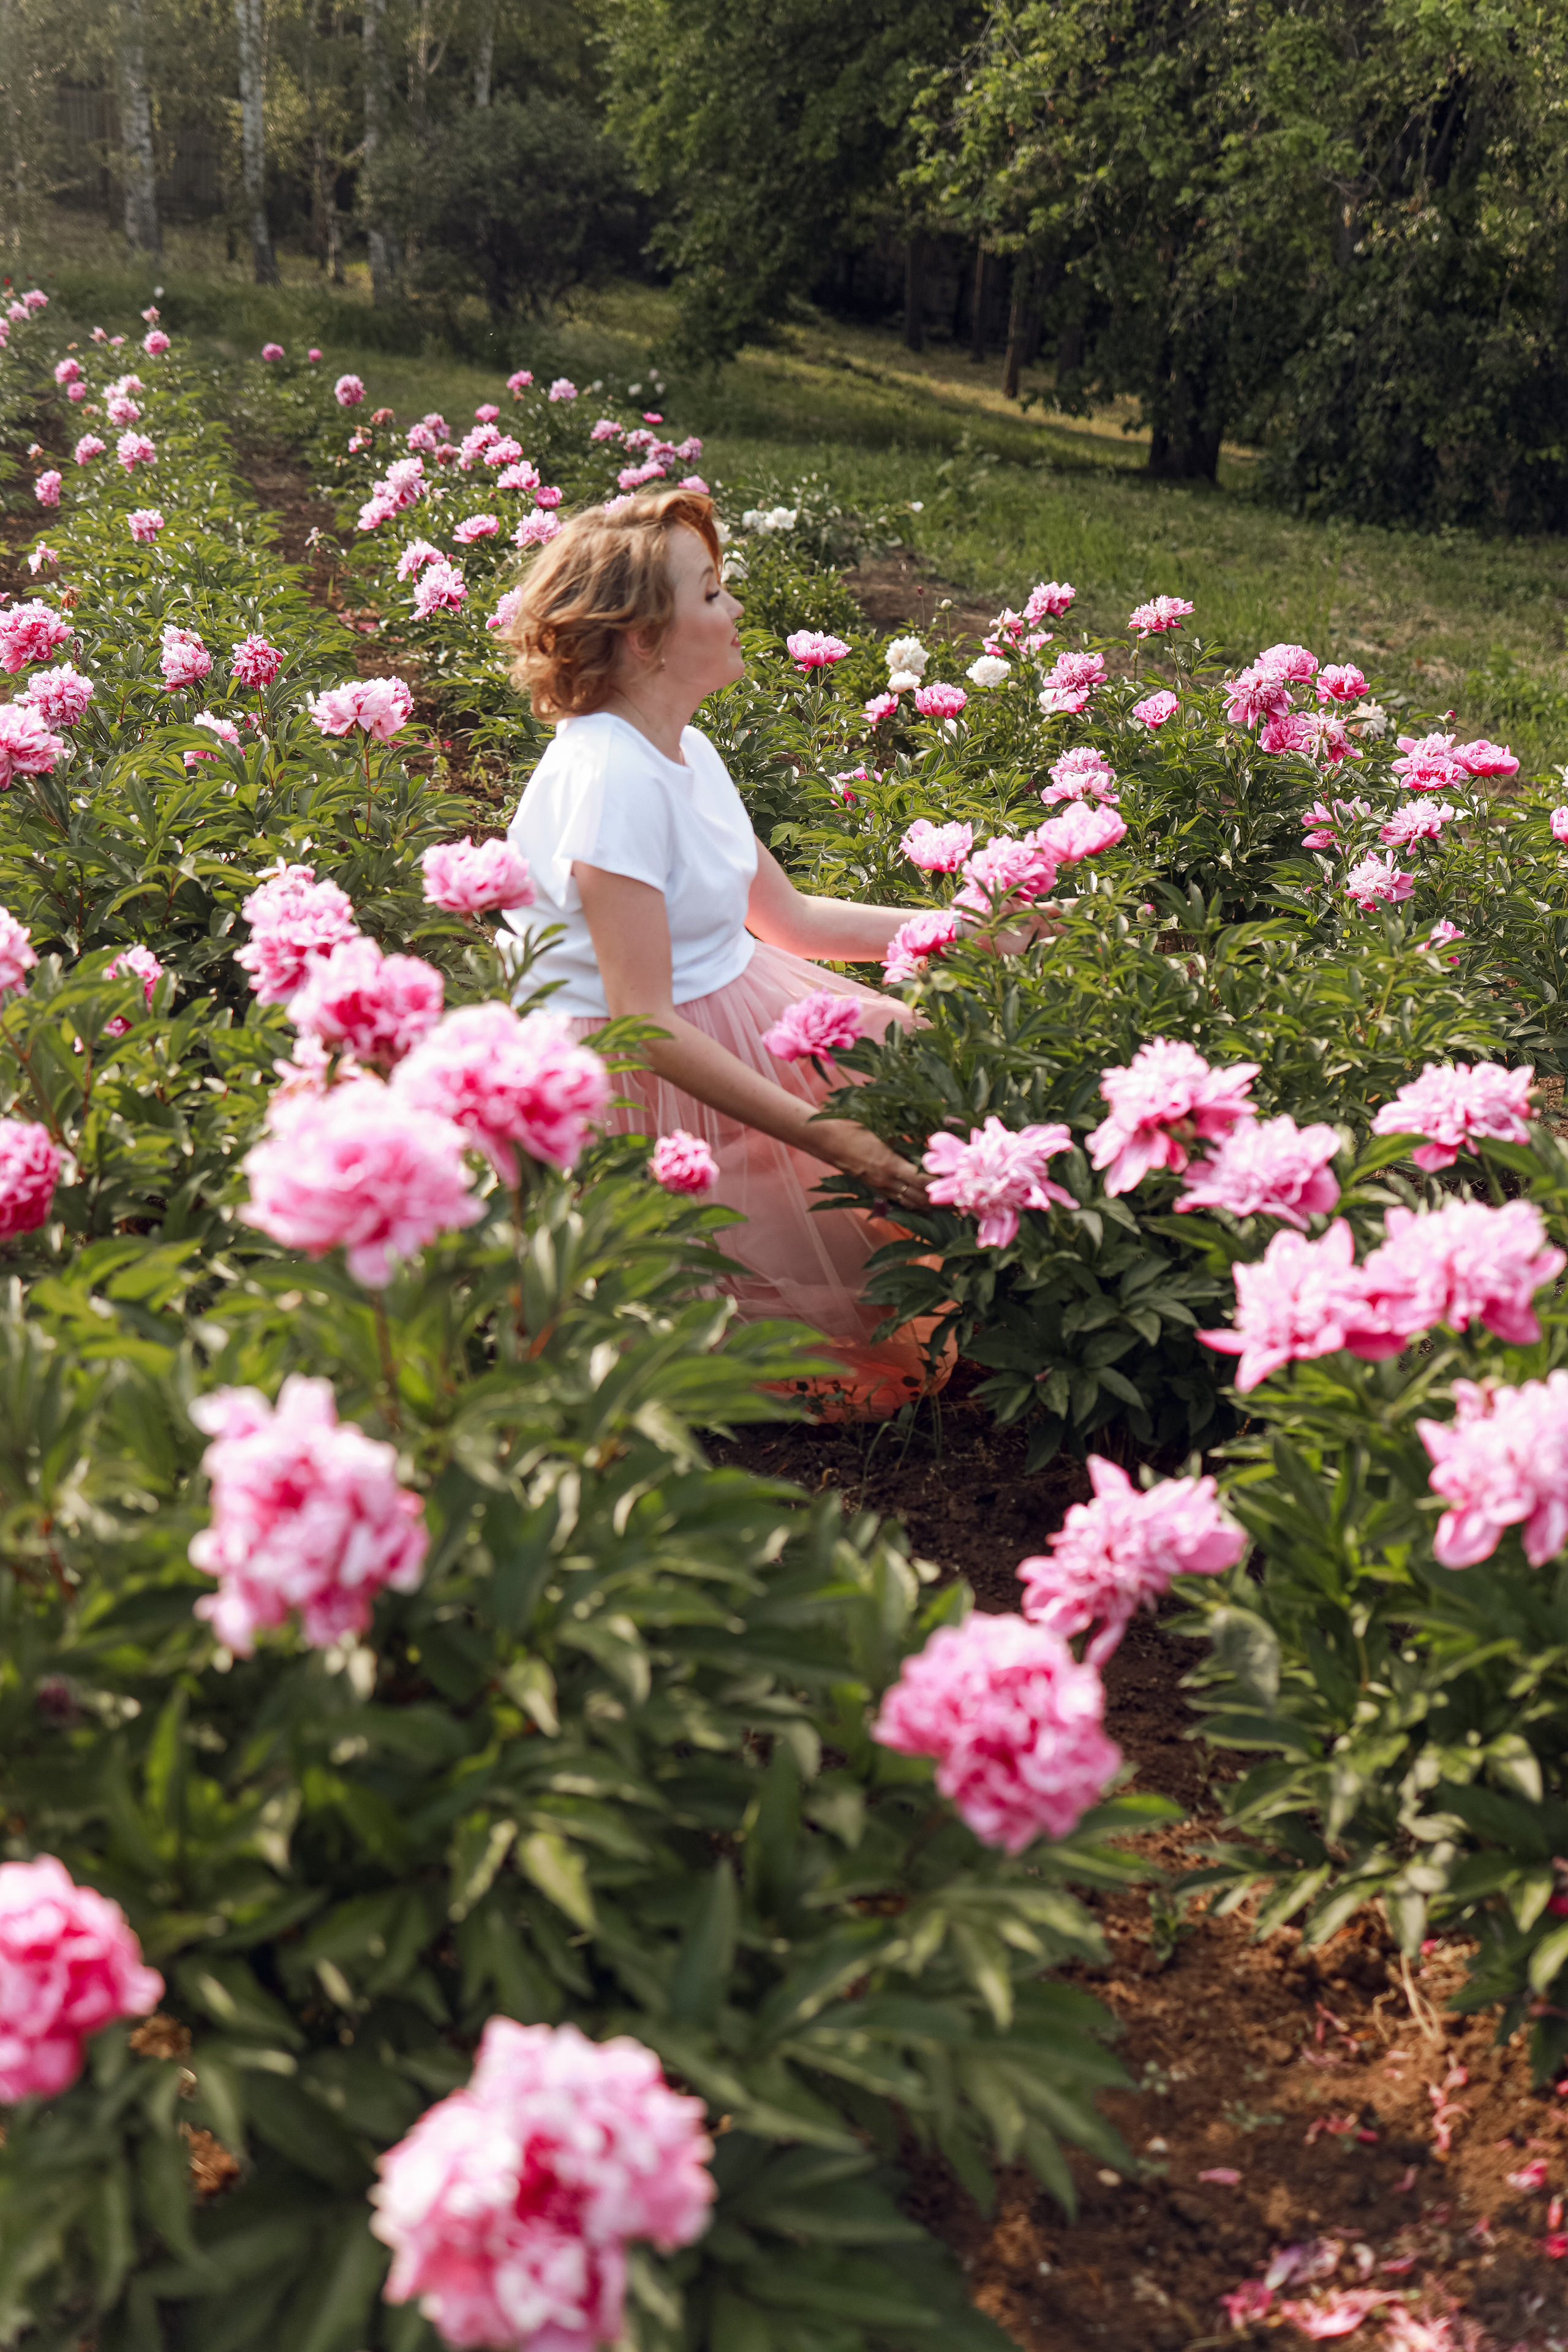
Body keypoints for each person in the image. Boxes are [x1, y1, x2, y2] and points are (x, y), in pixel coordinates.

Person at [499, 488, 990, 1413]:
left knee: (923, 1084)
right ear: (644, 638)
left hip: (725, 1005)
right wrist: (827, 1135)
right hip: (632, 1076)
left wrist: (972, 930)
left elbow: (790, 920)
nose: (734, 612)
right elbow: (639, 1025)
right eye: (713, 594)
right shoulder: (610, 779)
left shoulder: (683, 747)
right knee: (845, 1351)